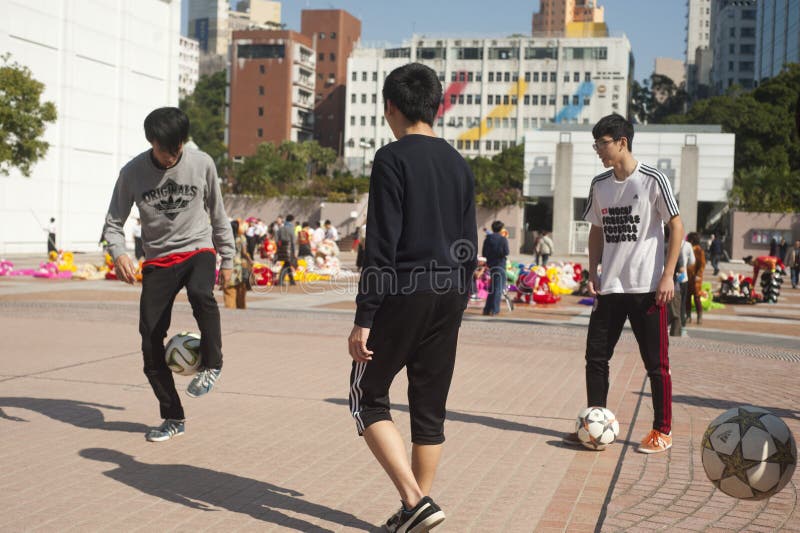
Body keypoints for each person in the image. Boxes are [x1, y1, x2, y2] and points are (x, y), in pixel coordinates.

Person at [347, 62, 477, 532]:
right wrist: (458, 297)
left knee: (367, 396)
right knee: (428, 408)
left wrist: (365, 315)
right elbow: (469, 243)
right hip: (448, 294)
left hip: (404, 290)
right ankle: (413, 515)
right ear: (436, 105)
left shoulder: (392, 158)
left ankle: (412, 500)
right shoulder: (458, 164)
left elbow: (382, 244)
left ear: (391, 107)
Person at [102, 107, 234, 442]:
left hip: (197, 248)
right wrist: (118, 255)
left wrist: (229, 260)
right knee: (149, 341)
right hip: (158, 260)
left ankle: (212, 364)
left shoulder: (202, 163)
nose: (172, 157)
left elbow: (219, 215)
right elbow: (113, 223)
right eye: (165, 151)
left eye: (177, 149)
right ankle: (173, 417)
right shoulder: (132, 173)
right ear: (151, 142)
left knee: (202, 295)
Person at [563, 113, 683, 454]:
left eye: (602, 143)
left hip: (647, 287)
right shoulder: (600, 184)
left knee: (656, 363)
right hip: (611, 287)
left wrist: (668, 274)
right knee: (596, 357)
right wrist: (592, 271)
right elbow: (597, 230)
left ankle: (662, 430)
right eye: (596, 144)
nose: (598, 150)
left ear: (622, 142)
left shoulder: (652, 180)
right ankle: (593, 423)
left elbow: (676, 226)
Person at [482, 220, 510, 316]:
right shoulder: (503, 239)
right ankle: (494, 309)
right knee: (498, 288)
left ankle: (487, 309)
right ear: (501, 229)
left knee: (492, 287)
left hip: (491, 265)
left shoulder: (488, 239)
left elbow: (484, 253)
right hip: (500, 265)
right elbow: (506, 252)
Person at [224, 219, 250, 309]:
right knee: (241, 289)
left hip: (227, 266)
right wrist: (250, 261)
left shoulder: (226, 238)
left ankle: (230, 308)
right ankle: (241, 307)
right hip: (239, 266)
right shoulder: (242, 238)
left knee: (229, 290)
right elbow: (244, 252)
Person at [685, 232, 706, 325]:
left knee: (697, 297)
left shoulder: (699, 250)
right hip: (688, 277)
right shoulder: (689, 249)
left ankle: (699, 316)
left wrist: (698, 275)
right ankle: (688, 316)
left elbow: (702, 265)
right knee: (687, 297)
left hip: (696, 278)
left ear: (692, 240)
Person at [678, 236, 695, 335]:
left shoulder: (666, 241)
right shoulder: (687, 245)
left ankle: (667, 326)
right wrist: (684, 266)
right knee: (682, 303)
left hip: (668, 278)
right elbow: (692, 261)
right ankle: (683, 327)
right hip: (683, 278)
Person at [276, 214, 296, 286]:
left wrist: (278, 248)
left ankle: (292, 280)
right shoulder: (291, 228)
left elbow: (276, 239)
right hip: (289, 248)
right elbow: (293, 240)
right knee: (287, 264)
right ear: (292, 220)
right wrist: (295, 251)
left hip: (282, 248)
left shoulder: (281, 228)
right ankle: (280, 281)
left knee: (287, 263)